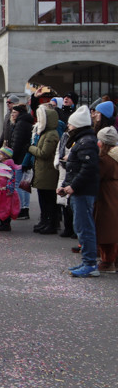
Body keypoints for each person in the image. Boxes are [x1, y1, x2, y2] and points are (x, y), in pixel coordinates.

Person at [60, 105, 101, 277]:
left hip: (83, 191)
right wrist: (65, 185)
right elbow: (77, 168)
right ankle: (87, 261)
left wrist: (73, 186)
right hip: (80, 190)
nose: (68, 127)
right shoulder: (84, 141)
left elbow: (88, 168)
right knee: (81, 226)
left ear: (76, 125)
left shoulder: (86, 142)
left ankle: (90, 263)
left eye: (70, 125)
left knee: (84, 227)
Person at [29, 105, 61, 234]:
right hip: (43, 171)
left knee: (49, 201)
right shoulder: (46, 134)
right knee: (44, 199)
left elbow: (44, 153)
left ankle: (50, 224)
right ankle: (45, 222)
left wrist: (30, 148)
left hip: (48, 172)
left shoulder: (51, 135)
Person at [95, 127, 118, 272]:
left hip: (106, 193)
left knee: (106, 227)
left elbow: (96, 175)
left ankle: (107, 260)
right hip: (114, 191)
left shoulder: (104, 160)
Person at [7, 103, 34, 220]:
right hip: (25, 157)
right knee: (24, 184)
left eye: (14, 113)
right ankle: (25, 208)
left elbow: (16, 143)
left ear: (19, 114)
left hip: (19, 158)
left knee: (18, 184)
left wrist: (12, 157)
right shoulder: (26, 122)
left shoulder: (20, 124)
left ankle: (22, 209)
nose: (12, 115)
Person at [0, 147, 20, 232]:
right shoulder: (1, 164)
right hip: (0, 189)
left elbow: (11, 178)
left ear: (5, 156)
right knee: (0, 207)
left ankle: (6, 224)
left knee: (6, 207)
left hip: (5, 190)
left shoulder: (8, 165)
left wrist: (9, 189)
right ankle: (2, 223)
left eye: (1, 154)